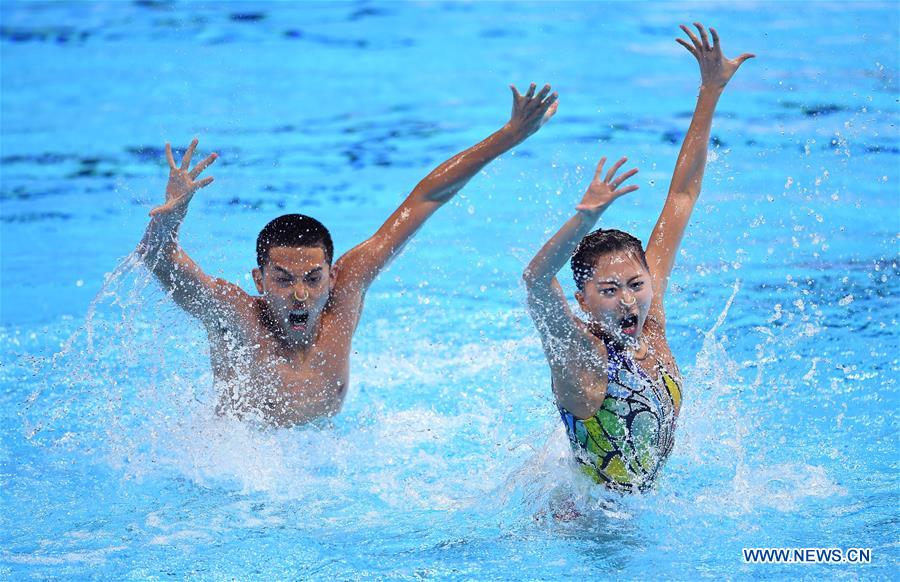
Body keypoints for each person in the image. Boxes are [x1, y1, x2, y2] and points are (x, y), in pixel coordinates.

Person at [139, 84, 558, 427]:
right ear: (259, 280)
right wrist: (170, 218)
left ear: (332, 276)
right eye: (283, 279)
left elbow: (428, 197)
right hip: (244, 469)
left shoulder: (349, 289)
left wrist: (510, 136)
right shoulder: (235, 316)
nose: (300, 295)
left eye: (312, 278)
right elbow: (161, 261)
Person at [522, 23, 753, 492]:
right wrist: (583, 219)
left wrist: (710, 91)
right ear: (583, 299)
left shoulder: (650, 317)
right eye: (608, 291)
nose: (628, 301)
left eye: (635, 285)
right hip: (584, 525)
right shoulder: (581, 358)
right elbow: (534, 278)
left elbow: (682, 195)